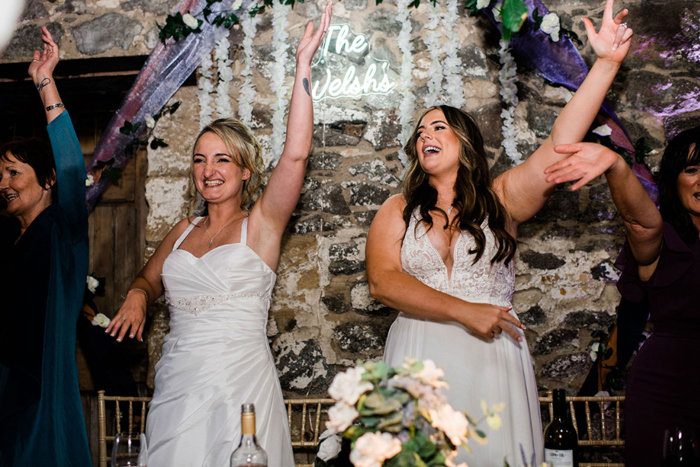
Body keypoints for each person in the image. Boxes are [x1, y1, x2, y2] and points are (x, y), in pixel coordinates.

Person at [365, 1, 633, 465]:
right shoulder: (397, 210)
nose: (425, 133)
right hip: (417, 354)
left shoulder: (502, 197)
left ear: (464, 143)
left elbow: (559, 145)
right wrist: (465, 311)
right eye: (420, 129)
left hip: (489, 358)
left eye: (439, 126)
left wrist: (606, 63)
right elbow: (383, 282)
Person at [105, 4, 332, 466]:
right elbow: (149, 282)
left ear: (246, 171)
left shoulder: (262, 225)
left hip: (240, 384)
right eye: (199, 159)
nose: (208, 171)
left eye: (222, 159)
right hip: (176, 385)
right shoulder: (183, 229)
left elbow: (295, 155)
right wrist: (136, 295)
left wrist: (303, 65)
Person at [545, 129, 700, 466]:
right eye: (692, 169)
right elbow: (640, 224)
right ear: (675, 180)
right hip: (666, 390)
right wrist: (616, 166)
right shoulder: (664, 240)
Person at [0, 27, 92, 466]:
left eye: (14, 173)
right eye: (0, 176)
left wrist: (45, 82)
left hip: (43, 389)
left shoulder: (63, 229)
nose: (3, 184)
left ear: (47, 180)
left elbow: (73, 166)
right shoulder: (7, 240)